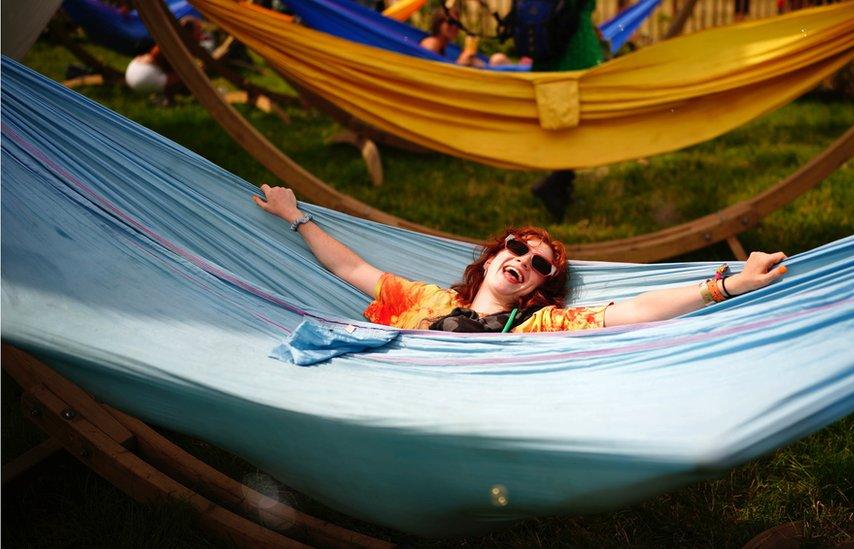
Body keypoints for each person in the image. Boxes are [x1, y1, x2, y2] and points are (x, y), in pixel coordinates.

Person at [254, 185, 789, 333]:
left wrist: (727, 286)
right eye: (517, 248)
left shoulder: (532, 327)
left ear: (537, 289)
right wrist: (294, 216)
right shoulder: (424, 299)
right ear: (490, 259)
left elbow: (633, 310)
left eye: (540, 265)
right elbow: (351, 269)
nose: (526, 261)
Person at [528, 0, 605, 222]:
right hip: (574, 55)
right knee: (576, 123)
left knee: (561, 122)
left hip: (546, 50)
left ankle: (561, 183)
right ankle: (556, 184)